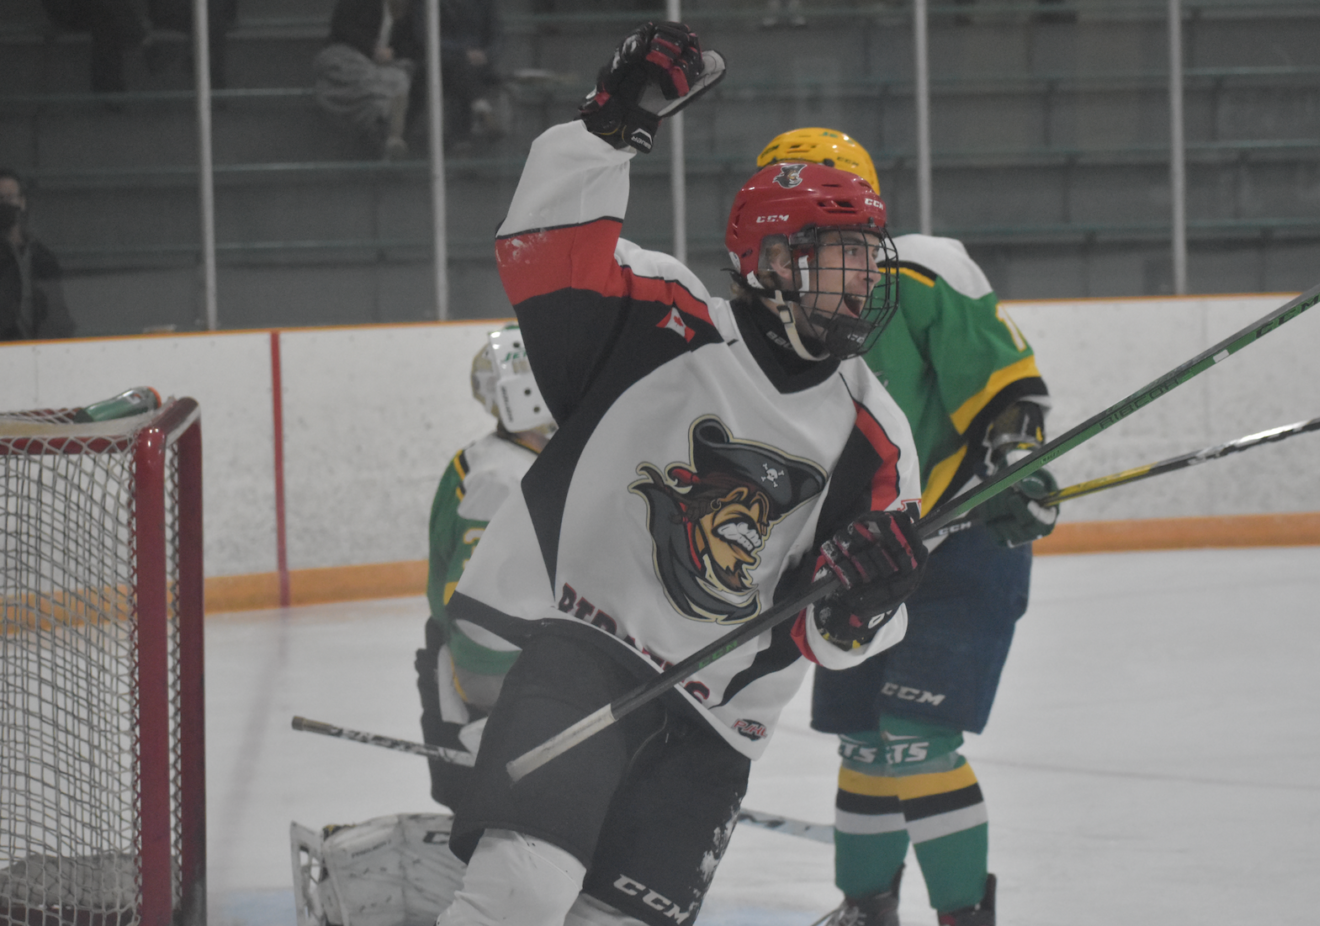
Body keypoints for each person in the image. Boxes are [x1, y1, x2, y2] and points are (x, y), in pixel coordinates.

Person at [435, 22, 929, 926]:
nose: (864, 282)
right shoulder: (661, 320)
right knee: (520, 891)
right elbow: (542, 250)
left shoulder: (877, 434)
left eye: (868, 258)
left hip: (716, 725)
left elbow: (833, 635)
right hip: (581, 654)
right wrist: (608, 126)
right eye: (841, 259)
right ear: (773, 262)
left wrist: (868, 597)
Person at [757, 128, 1059, 926]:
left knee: (915, 735)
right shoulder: (760, 322)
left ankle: (962, 916)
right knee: (863, 740)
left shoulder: (924, 272)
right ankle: (866, 908)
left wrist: (1016, 465)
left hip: (960, 545)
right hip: (858, 560)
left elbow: (1007, 397)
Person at [415, 321, 553, 815]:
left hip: (492, 660)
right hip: (498, 672)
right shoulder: (502, 478)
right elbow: (479, 613)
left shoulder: (482, 461)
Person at [394, 0, 504, 149]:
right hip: (437, 63)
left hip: (477, 66)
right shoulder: (427, 3)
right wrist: (463, 54)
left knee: (461, 72)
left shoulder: (484, 3)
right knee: (458, 69)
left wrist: (486, 55)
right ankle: (477, 117)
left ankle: (403, 140)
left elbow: (497, 36)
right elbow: (424, 36)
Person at [314, 0, 415, 159]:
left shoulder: (407, 10)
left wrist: (391, 55)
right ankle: (383, 130)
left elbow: (410, 45)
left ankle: (388, 134)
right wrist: (373, 50)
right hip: (346, 56)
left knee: (400, 78)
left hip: (379, 67)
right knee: (379, 87)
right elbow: (342, 26)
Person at [1, 168, 76, 341]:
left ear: (22, 202)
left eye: (9, 197)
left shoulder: (41, 257)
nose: (4, 205)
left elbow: (57, 311)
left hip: (37, 348)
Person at [39, 0, 147, 94]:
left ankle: (107, 85)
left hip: (97, 13)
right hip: (73, 11)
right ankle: (109, 86)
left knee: (104, 19)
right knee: (104, 16)